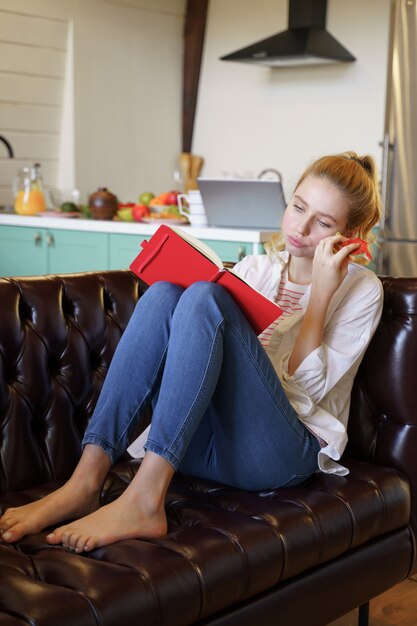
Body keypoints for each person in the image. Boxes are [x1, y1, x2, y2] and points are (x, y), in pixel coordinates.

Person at [0, 151, 383, 553]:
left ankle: (146, 500)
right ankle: (85, 480)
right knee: (166, 292)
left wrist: (321, 294)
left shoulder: (362, 290)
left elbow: (307, 392)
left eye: (323, 223)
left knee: (205, 298)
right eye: (297, 206)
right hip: (207, 445)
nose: (301, 228)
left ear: (352, 235)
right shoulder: (256, 269)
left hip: (279, 454)